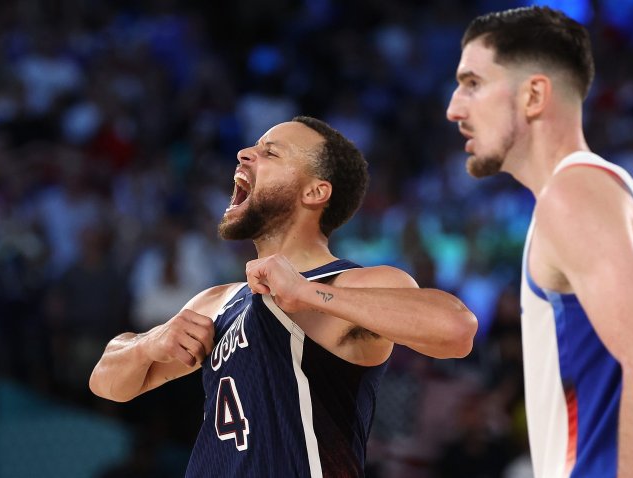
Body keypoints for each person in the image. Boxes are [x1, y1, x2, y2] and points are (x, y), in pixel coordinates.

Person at [89, 116, 478, 477]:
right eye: (253, 147)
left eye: (270, 152)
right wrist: (148, 345)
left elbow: (456, 329)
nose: (245, 154)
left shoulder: (346, 284)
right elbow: (107, 384)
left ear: (315, 191)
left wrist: (308, 293)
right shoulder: (217, 301)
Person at [446, 6, 633, 478]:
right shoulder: (626, 198)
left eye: (473, 83)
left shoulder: (572, 196)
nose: (454, 107)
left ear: (534, 95)